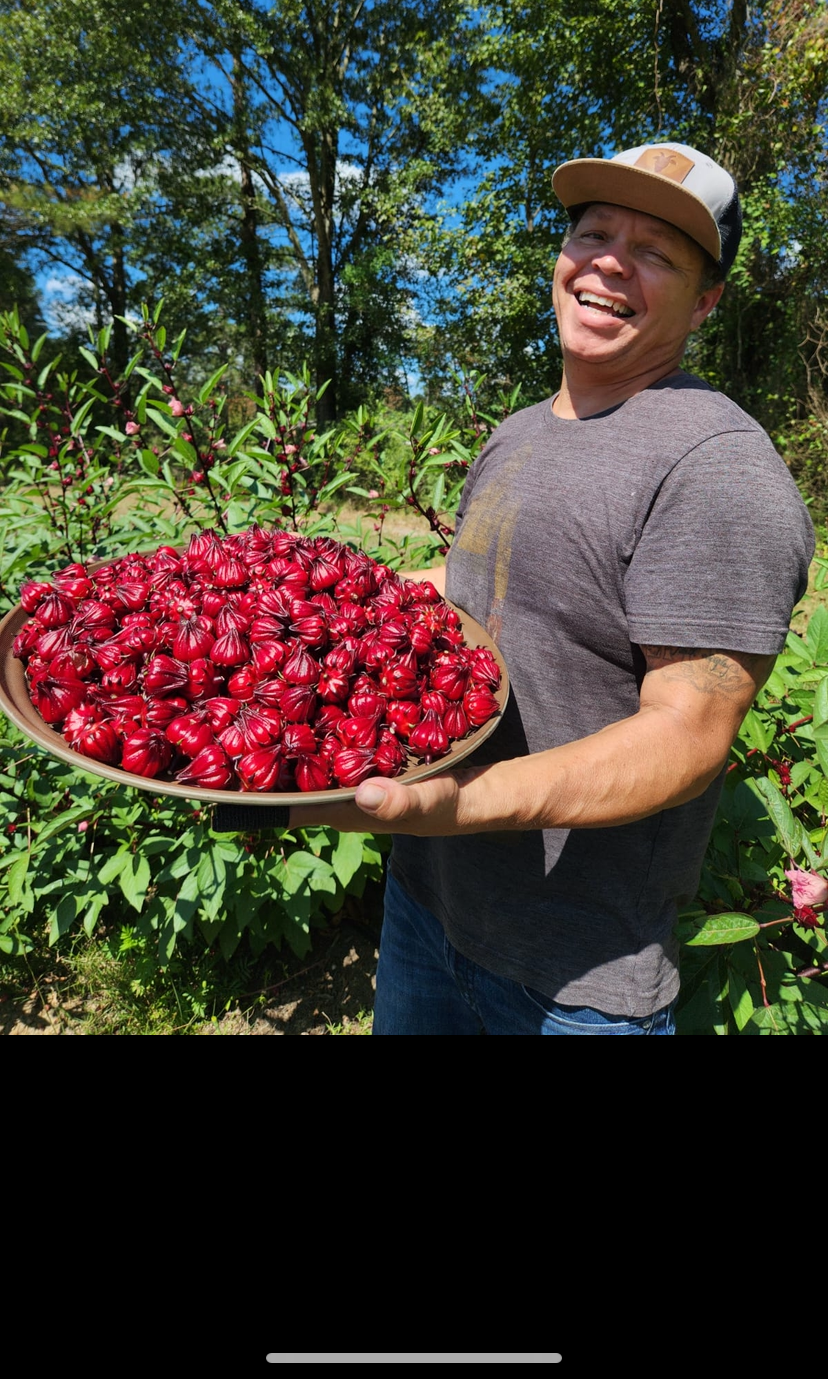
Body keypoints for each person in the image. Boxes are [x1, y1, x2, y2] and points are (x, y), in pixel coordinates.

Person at [286, 141, 815, 1035]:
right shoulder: (522, 430)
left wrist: (458, 802)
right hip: (427, 906)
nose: (610, 262)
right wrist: (325, 597)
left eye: (655, 251)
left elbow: (688, 733)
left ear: (706, 301)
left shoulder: (716, 466)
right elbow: (482, 585)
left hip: (573, 978)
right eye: (594, 233)